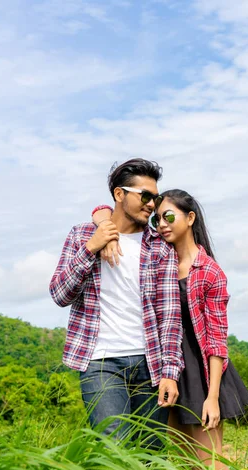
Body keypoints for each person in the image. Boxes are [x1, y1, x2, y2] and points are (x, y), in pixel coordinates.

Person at [93, 189, 248, 470]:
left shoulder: (209, 272)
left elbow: (217, 341)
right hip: (165, 368)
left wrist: (213, 396)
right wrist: (101, 217)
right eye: (156, 219)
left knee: (210, 461)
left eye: (168, 217)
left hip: (200, 372)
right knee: (182, 461)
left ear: (190, 218)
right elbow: (112, 210)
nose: (162, 224)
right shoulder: (157, 258)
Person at [49, 159, 184, 447]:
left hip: (150, 364)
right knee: (114, 452)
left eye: (155, 198)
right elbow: (60, 294)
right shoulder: (82, 235)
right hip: (100, 363)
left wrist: (169, 373)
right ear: (119, 194)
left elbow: (170, 316)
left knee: (153, 454)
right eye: (145, 196)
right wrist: (91, 248)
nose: (152, 205)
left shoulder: (160, 247)